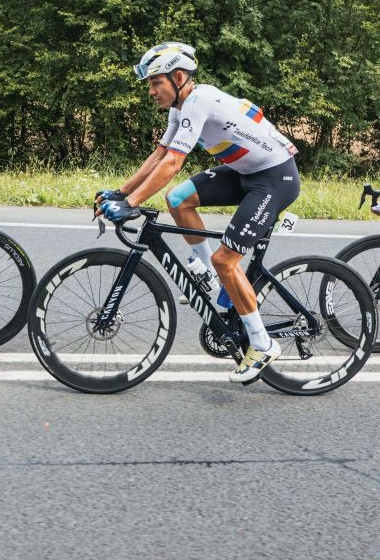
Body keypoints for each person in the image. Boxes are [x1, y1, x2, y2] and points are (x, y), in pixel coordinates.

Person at [97, 42, 301, 383]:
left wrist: (130, 206)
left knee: (227, 261)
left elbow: (174, 163)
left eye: (155, 83)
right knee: (178, 199)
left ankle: (262, 343)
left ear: (178, 77)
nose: (150, 91)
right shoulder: (179, 109)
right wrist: (121, 192)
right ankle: (206, 272)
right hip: (246, 173)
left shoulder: (199, 101)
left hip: (275, 178)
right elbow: (160, 155)